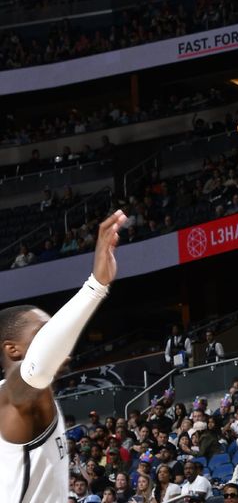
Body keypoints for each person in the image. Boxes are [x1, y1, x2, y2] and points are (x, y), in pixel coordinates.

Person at [0, 210, 126, 503]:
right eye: (43, 332)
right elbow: (36, 369)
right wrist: (96, 286)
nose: (61, 343)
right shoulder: (15, 396)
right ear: (12, 349)